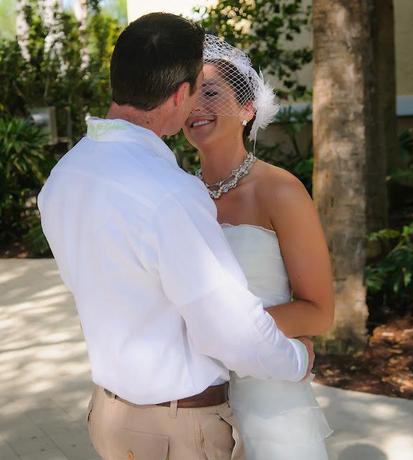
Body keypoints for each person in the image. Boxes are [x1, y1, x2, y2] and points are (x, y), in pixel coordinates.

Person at [37, 13, 313, 460]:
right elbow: (230, 330)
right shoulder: (169, 193)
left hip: (110, 414)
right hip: (176, 428)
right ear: (180, 93)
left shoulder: (63, 178)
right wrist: (296, 360)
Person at [183, 35, 334, 460]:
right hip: (197, 398)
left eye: (210, 92)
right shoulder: (180, 194)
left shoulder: (280, 190)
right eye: (189, 93)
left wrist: (226, 331)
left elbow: (319, 311)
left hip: (270, 404)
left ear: (248, 109)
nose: (197, 106)